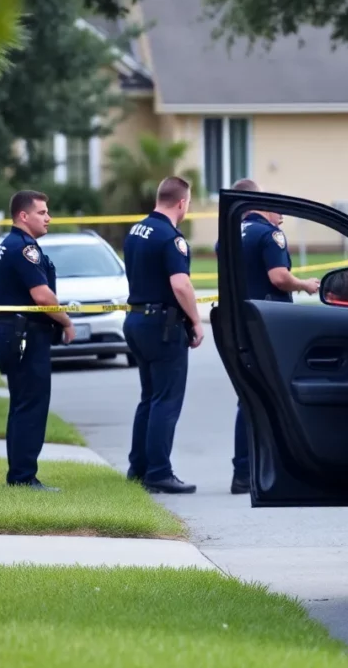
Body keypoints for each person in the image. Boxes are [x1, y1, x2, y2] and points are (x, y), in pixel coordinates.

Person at [216, 178, 320, 494]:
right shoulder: (269, 235)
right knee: (274, 397)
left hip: (238, 322)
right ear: (263, 205)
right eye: (279, 210)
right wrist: (305, 285)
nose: (282, 218)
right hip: (267, 325)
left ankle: (243, 471)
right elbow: (278, 277)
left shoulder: (228, 235)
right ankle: (269, 469)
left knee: (247, 397)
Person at [123, 176, 204, 495]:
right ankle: (159, 472)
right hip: (162, 326)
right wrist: (196, 321)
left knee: (149, 397)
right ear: (181, 203)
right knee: (166, 400)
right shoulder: (171, 238)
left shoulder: (137, 230)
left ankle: (139, 467)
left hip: (137, 320)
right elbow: (180, 284)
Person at [0, 190, 75, 491]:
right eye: (42, 213)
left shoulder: (8, 244)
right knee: (31, 406)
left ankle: (19, 474)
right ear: (23, 216)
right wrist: (66, 321)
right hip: (26, 334)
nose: (48, 218)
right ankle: (23, 477)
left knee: (21, 404)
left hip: (15, 332)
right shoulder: (25, 248)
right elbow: (42, 296)